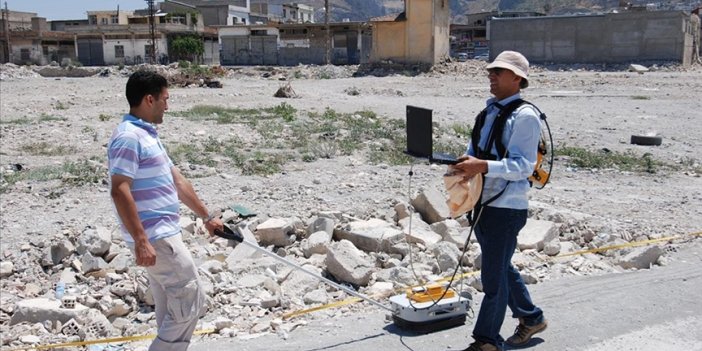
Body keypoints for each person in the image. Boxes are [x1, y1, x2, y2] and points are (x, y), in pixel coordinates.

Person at [108, 70, 224, 351]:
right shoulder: (128, 137)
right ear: (149, 99)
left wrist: (207, 217)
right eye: (165, 99)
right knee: (190, 301)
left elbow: (178, 181)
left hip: (162, 235)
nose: (167, 106)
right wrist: (141, 240)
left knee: (171, 308)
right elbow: (119, 189)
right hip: (156, 238)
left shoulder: (148, 135)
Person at [451, 51, 547, 351]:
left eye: (499, 72)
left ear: (517, 79)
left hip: (506, 209)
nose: (491, 76)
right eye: (490, 71)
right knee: (501, 267)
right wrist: (464, 166)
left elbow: (523, 166)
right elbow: (476, 151)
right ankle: (531, 318)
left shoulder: (526, 117)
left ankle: (487, 341)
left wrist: (482, 166)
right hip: (484, 203)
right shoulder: (488, 112)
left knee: (493, 279)